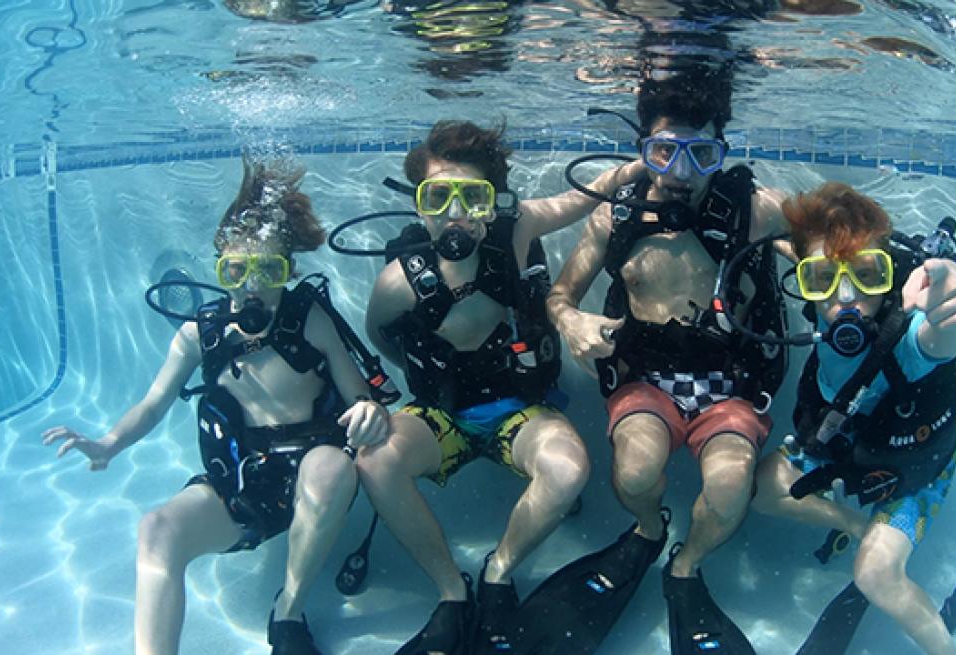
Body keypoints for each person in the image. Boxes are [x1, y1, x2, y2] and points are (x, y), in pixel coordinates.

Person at [42, 156, 392, 655]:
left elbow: (360, 394)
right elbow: (154, 402)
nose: (252, 286)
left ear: (287, 271)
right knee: (157, 530)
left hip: (312, 472)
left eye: (268, 270)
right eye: (236, 269)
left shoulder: (310, 320)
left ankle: (288, 613)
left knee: (333, 468)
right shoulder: (198, 334)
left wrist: (367, 412)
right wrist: (109, 443)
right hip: (240, 480)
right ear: (219, 267)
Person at [356, 120, 645, 655]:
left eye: (473, 195)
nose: (456, 211)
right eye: (438, 196)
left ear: (494, 201)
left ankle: (500, 570)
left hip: (520, 411)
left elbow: (580, 198)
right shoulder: (398, 280)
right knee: (375, 461)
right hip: (442, 415)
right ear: (419, 205)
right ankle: (450, 589)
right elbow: (380, 337)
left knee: (568, 468)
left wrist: (650, 159)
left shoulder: (516, 230)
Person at [539, 70, 790, 654]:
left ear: (721, 152)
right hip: (646, 382)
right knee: (632, 471)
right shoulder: (615, 217)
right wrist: (572, 322)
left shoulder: (754, 211)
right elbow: (559, 296)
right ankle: (650, 528)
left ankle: (688, 564)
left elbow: (839, 241)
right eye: (663, 152)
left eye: (701, 155)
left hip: (730, 386)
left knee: (730, 488)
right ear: (641, 152)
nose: (680, 174)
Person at [749, 182, 956, 655]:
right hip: (844, 447)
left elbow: (944, 337)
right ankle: (854, 526)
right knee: (758, 487)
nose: (846, 298)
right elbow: (792, 239)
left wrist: (954, 292)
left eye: (867, 275)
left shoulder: (909, 336)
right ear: (806, 283)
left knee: (875, 573)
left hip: (912, 470)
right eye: (822, 280)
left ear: (889, 278)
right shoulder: (825, 310)